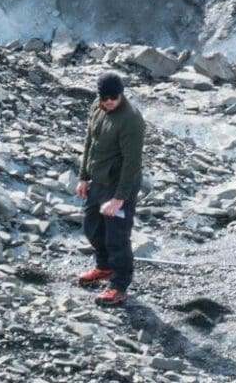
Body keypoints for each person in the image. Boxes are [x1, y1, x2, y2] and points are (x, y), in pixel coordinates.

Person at [75, 72, 145, 306]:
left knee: (117, 236)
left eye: (113, 98)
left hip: (119, 185)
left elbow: (132, 164)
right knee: (92, 228)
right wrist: (83, 176)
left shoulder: (131, 120)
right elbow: (90, 142)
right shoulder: (98, 107)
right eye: (105, 98)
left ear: (121, 94)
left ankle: (119, 285)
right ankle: (103, 267)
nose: (109, 102)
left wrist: (118, 199)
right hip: (98, 181)